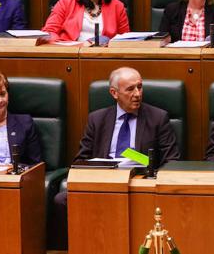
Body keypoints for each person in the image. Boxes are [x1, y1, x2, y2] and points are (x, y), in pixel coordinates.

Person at [52, 67, 180, 249]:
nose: (137, 94)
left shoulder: (158, 118)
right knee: (61, 200)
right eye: (130, 89)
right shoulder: (97, 119)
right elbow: (80, 161)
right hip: (103, 182)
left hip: (139, 183)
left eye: (140, 87)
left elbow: (172, 161)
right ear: (114, 93)